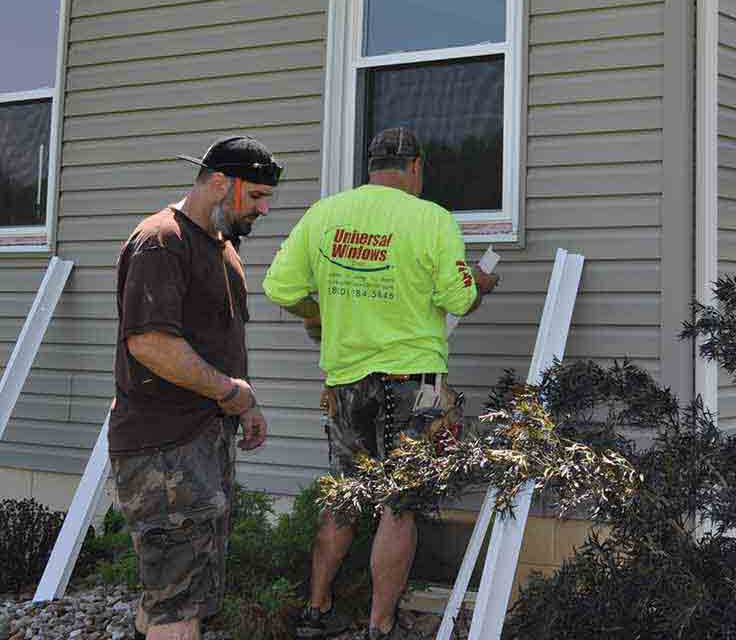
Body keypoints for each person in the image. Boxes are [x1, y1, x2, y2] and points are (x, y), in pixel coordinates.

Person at [263, 126, 499, 640]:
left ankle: (318, 610)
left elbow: (279, 286)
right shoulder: (431, 219)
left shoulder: (326, 214)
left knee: (344, 497)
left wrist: (322, 316)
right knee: (398, 507)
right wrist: (478, 284)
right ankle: (380, 625)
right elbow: (458, 300)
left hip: (346, 384)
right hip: (411, 387)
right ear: (416, 168)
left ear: (370, 168)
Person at [108, 136, 282, 640]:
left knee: (179, 596)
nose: (264, 208)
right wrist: (231, 392)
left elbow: (218, 342)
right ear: (220, 183)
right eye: (256, 196)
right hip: (164, 448)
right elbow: (150, 343)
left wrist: (244, 406)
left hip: (203, 439)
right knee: (177, 607)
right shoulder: (162, 241)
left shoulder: (223, 248)